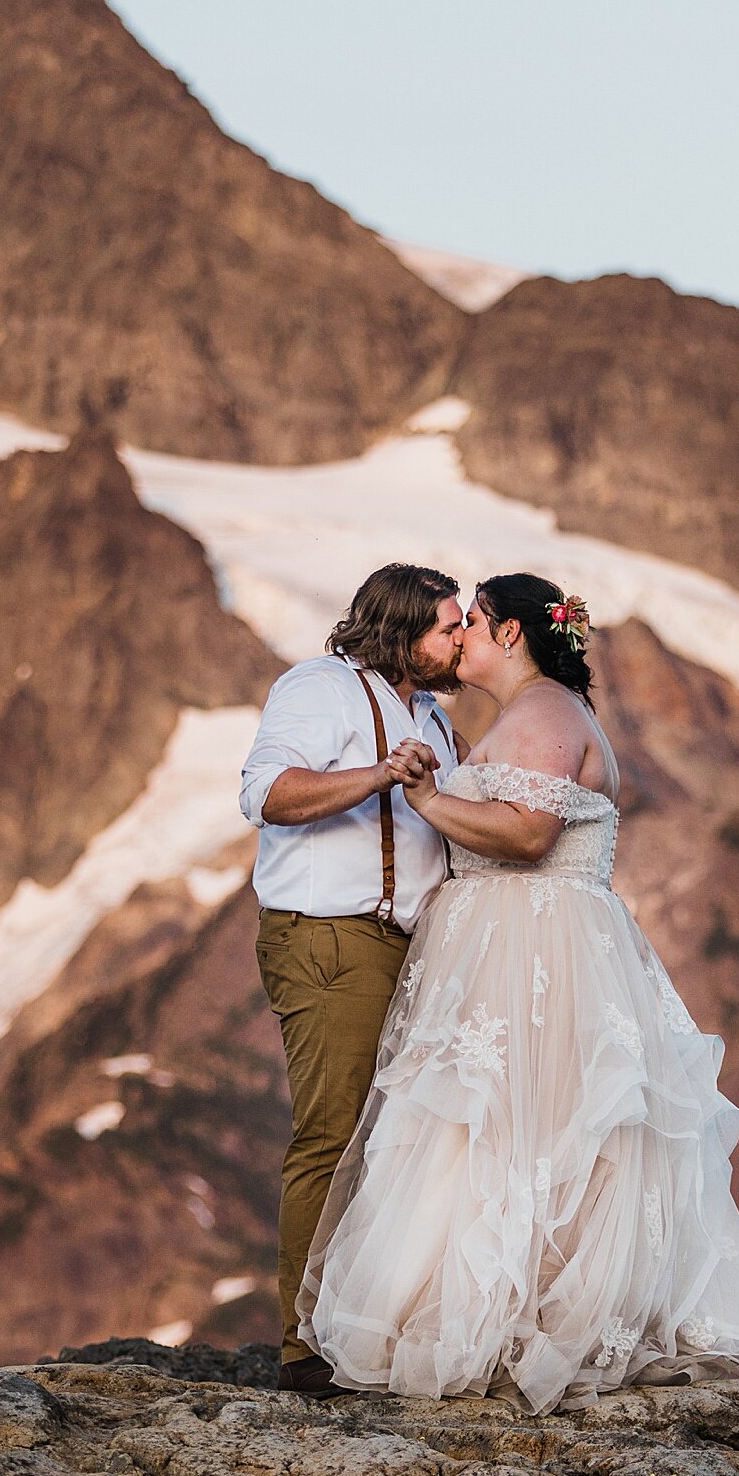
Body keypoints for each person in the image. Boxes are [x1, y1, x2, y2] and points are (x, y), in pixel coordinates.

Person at [299, 573, 739, 1410]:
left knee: (515, 1128)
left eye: (472, 624)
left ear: (509, 635)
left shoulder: (541, 715)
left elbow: (529, 837)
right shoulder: (535, 714)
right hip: (524, 941)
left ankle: (513, 1322)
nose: (457, 639)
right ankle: (504, 1311)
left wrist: (425, 798)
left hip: (533, 946)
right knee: (509, 1128)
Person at [241, 564, 466, 1392]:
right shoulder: (319, 689)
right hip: (330, 939)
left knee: (398, 1145)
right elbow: (266, 792)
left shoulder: (433, 717)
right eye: (448, 628)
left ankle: (360, 1327)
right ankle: (306, 1349)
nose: (461, 640)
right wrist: (377, 776)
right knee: (334, 1136)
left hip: (406, 946)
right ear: (404, 634)